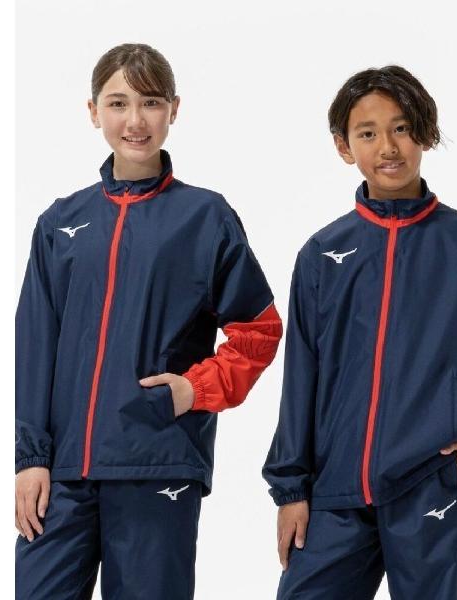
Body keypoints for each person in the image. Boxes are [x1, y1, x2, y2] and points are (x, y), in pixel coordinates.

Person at [15, 43, 282, 599]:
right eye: (118, 103)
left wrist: (193, 389)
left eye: (151, 102)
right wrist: (30, 459)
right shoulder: (60, 223)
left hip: (158, 461)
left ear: (173, 109)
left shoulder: (205, 217)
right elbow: (34, 347)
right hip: (63, 472)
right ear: (93, 111)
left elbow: (258, 332)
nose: (135, 120)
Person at [262, 65, 457, 599]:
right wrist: (290, 489)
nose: (388, 147)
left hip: (431, 486)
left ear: (425, 132)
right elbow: (301, 379)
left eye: (401, 128)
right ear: (344, 146)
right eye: (368, 133)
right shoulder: (322, 254)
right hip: (334, 494)